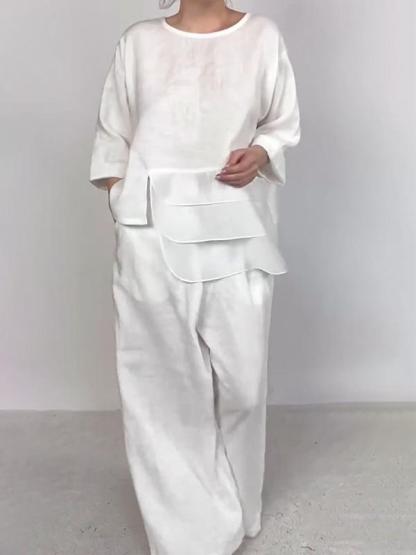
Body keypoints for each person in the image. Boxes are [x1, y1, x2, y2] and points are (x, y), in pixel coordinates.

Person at [88, 1, 300, 553]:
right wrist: (122, 199)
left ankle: (236, 507)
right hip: (151, 231)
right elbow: (112, 136)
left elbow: (281, 122)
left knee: (243, 383)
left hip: (236, 226)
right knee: (163, 385)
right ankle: (188, 536)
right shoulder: (138, 43)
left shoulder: (261, 37)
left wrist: (261, 152)